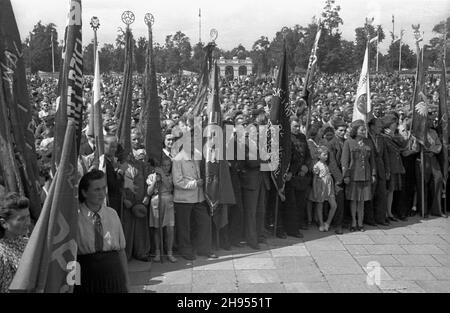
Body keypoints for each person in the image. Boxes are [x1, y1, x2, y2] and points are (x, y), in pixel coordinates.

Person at [75, 170, 129, 293]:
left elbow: (121, 251)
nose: (102, 194)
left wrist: (126, 282)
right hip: (86, 276)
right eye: (96, 190)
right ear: (84, 192)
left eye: (103, 188)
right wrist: (72, 285)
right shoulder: (75, 218)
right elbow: (71, 257)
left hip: (113, 274)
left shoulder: (112, 214)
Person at [172, 130, 217, 260]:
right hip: (184, 199)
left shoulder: (197, 155)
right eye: (189, 142)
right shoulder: (178, 159)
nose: (192, 145)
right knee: (184, 227)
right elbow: (178, 182)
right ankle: (185, 250)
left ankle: (204, 248)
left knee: (205, 222)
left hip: (198, 197)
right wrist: (195, 183)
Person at [342, 120, 376, 232]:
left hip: (365, 175)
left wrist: (373, 174)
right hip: (353, 176)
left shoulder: (368, 142)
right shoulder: (348, 142)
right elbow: (344, 161)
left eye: (364, 129)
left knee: (362, 201)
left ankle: (360, 222)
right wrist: (345, 175)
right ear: (355, 130)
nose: (364, 131)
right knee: (353, 200)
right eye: (362, 129)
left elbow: (372, 161)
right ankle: (353, 222)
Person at [146, 157, 177, 263]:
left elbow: (170, 188)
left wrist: (163, 176)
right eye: (164, 165)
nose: (166, 167)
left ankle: (169, 252)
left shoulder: (171, 176)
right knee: (157, 228)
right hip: (156, 200)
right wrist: (155, 180)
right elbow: (149, 192)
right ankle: (158, 252)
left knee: (170, 228)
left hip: (168, 200)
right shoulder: (152, 176)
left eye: (168, 165)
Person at [0, 193, 30, 293]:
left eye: (28, 217)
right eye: (21, 219)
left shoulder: (29, 243)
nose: (28, 223)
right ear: (4, 223)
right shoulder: (1, 252)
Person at [309, 146, 337, 232]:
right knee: (319, 205)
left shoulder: (327, 164)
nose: (326, 156)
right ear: (319, 155)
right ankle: (321, 223)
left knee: (334, 205)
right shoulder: (317, 166)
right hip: (320, 187)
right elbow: (314, 179)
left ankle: (327, 222)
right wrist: (314, 190)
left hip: (329, 187)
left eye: (327, 155)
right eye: (324, 155)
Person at [327, 120, 347, 234]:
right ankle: (337, 224)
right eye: (340, 130)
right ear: (335, 131)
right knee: (338, 201)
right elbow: (332, 163)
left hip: (346, 175)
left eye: (344, 130)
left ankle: (344, 221)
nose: (343, 132)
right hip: (336, 177)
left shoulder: (346, 141)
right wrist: (340, 178)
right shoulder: (331, 143)